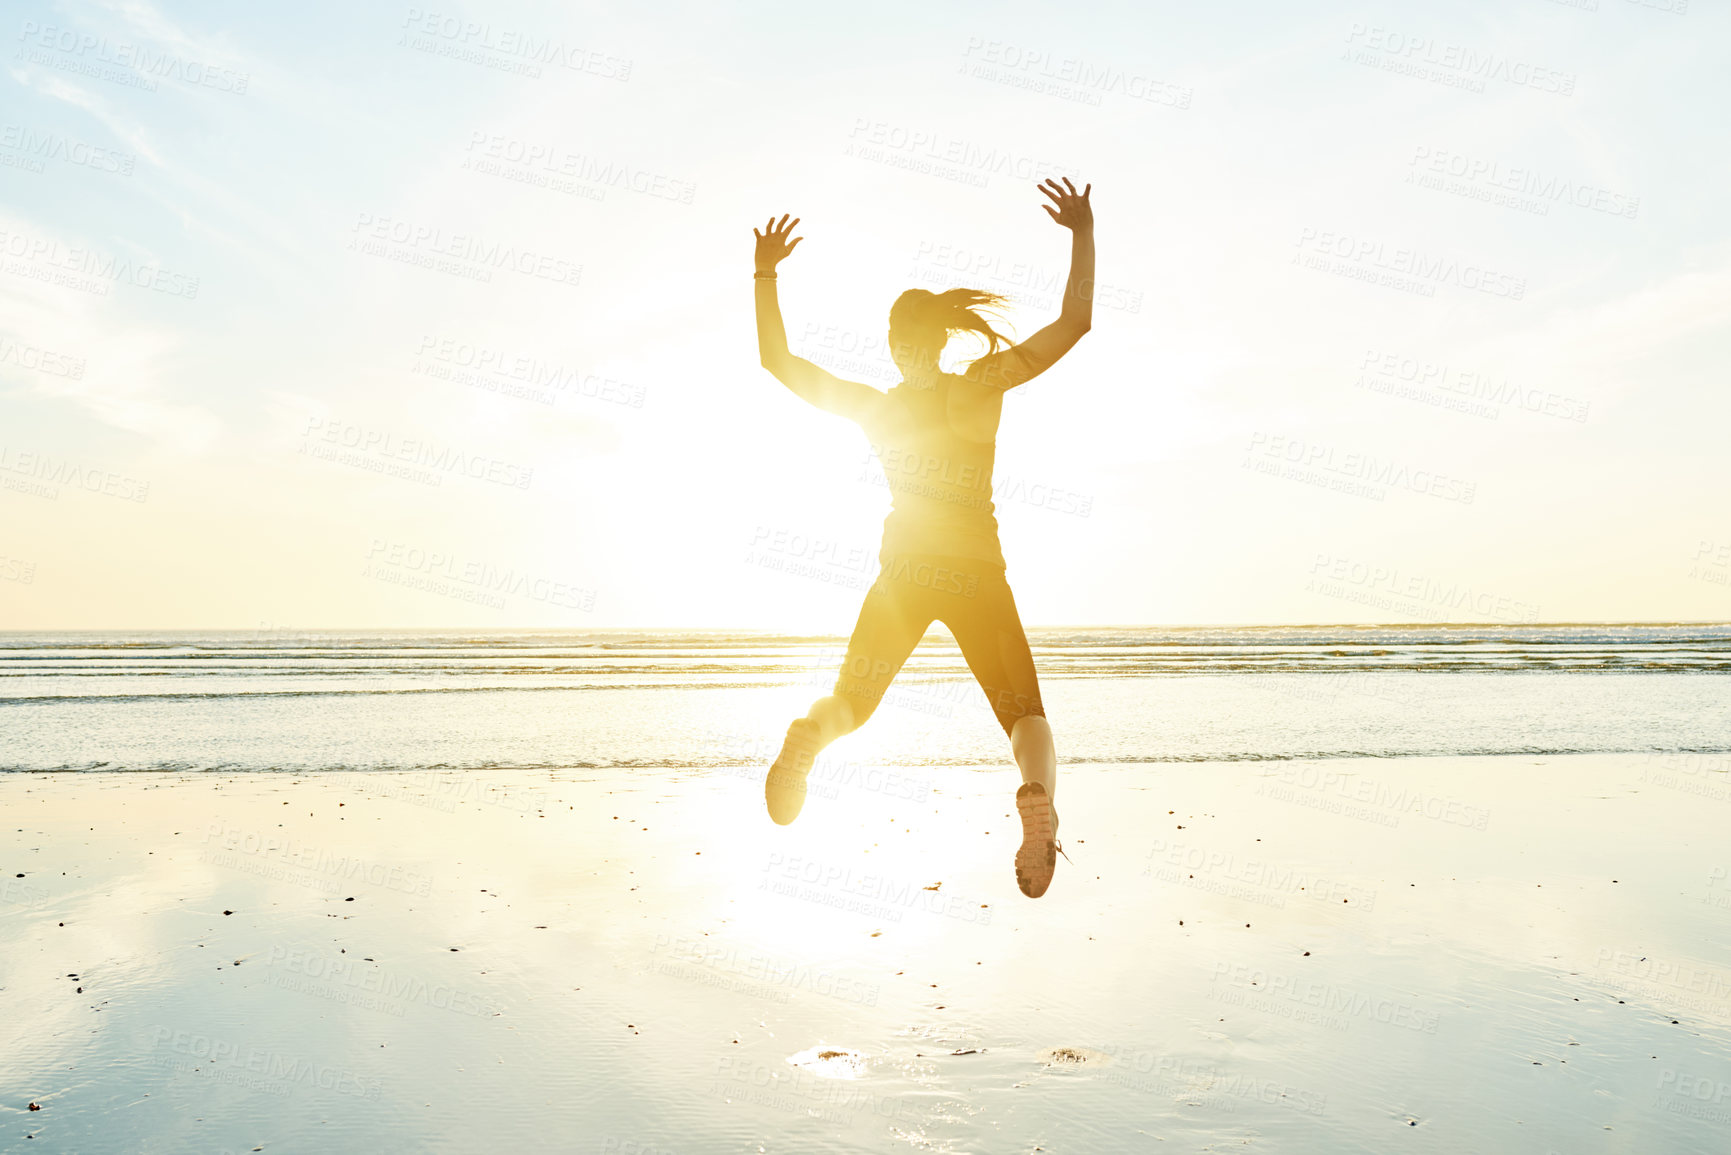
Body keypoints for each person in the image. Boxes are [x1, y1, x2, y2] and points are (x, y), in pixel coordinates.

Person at [751, 178, 1095, 898]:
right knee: (1023, 714)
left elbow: (779, 364)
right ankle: (1036, 796)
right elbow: (1073, 325)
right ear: (940, 342)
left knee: (853, 702)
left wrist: (766, 273)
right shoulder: (981, 384)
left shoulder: (876, 409)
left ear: (890, 345)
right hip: (975, 572)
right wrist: (1080, 232)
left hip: (904, 571)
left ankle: (810, 737)